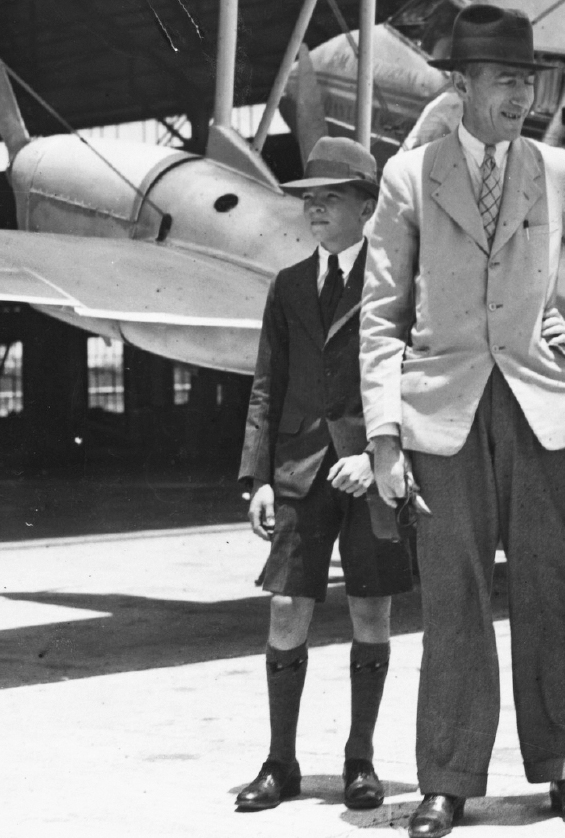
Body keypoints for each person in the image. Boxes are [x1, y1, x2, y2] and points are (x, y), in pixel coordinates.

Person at [359, 4, 565, 838]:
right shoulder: (409, 177)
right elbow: (379, 315)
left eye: (528, 80)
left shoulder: (558, 172)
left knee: (553, 592)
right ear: (464, 84)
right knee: (452, 599)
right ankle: (447, 781)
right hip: (440, 412)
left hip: (540, 409)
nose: (521, 94)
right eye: (505, 79)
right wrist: (384, 439)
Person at [235, 137, 414, 813]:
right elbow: (265, 386)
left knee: (372, 608)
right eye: (308, 198)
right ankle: (279, 763)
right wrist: (257, 478)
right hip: (299, 472)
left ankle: (360, 761)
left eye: (330, 197)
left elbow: (413, 379)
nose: (313, 208)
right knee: (286, 609)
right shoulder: (286, 286)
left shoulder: (396, 282)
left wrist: (378, 454)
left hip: (371, 471)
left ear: (367, 206)